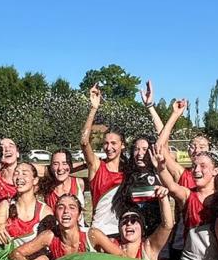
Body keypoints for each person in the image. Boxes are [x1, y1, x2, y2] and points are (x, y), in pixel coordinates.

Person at [154, 145, 218, 260]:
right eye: (194, 166)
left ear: (215, 171)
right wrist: (161, 168)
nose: (196, 170)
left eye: (203, 166)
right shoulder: (188, 195)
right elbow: (171, 185)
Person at [10, 194, 122, 260]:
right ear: (56, 214)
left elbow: (122, 258)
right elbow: (16, 253)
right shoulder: (49, 236)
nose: (66, 211)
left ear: (79, 216)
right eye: (61, 207)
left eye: (72, 207)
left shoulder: (92, 235)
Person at [81, 84, 126, 237]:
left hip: (123, 232)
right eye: (106, 143)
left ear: (122, 145)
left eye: (114, 143)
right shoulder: (97, 166)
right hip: (99, 233)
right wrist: (93, 108)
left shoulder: (128, 170)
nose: (109, 147)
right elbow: (84, 142)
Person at [95, 186, 174, 260]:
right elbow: (92, 234)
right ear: (119, 229)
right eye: (124, 221)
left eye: (134, 220)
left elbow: (167, 226)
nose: (129, 223)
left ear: (142, 229)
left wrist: (163, 198)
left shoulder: (148, 248)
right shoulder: (111, 245)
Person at [0, 162, 53, 246]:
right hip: (7, 256)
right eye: (16, 173)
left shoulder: (44, 211)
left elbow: (47, 243)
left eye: (24, 173)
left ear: (35, 180)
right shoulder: (5, 205)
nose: (19, 177)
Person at [112, 136, 163, 237]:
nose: (140, 154)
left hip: (156, 234)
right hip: (134, 233)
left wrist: (158, 168)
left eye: (145, 149)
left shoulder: (160, 174)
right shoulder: (128, 176)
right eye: (136, 149)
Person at [40, 149, 86, 214]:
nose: (60, 168)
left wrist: (84, 164)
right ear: (51, 167)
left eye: (65, 163)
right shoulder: (46, 186)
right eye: (55, 164)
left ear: (70, 165)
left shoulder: (79, 183)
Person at [0, 137, 21, 203]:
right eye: (2, 147)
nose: (7, 149)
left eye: (11, 146)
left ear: (17, 153)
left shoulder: (28, 178)